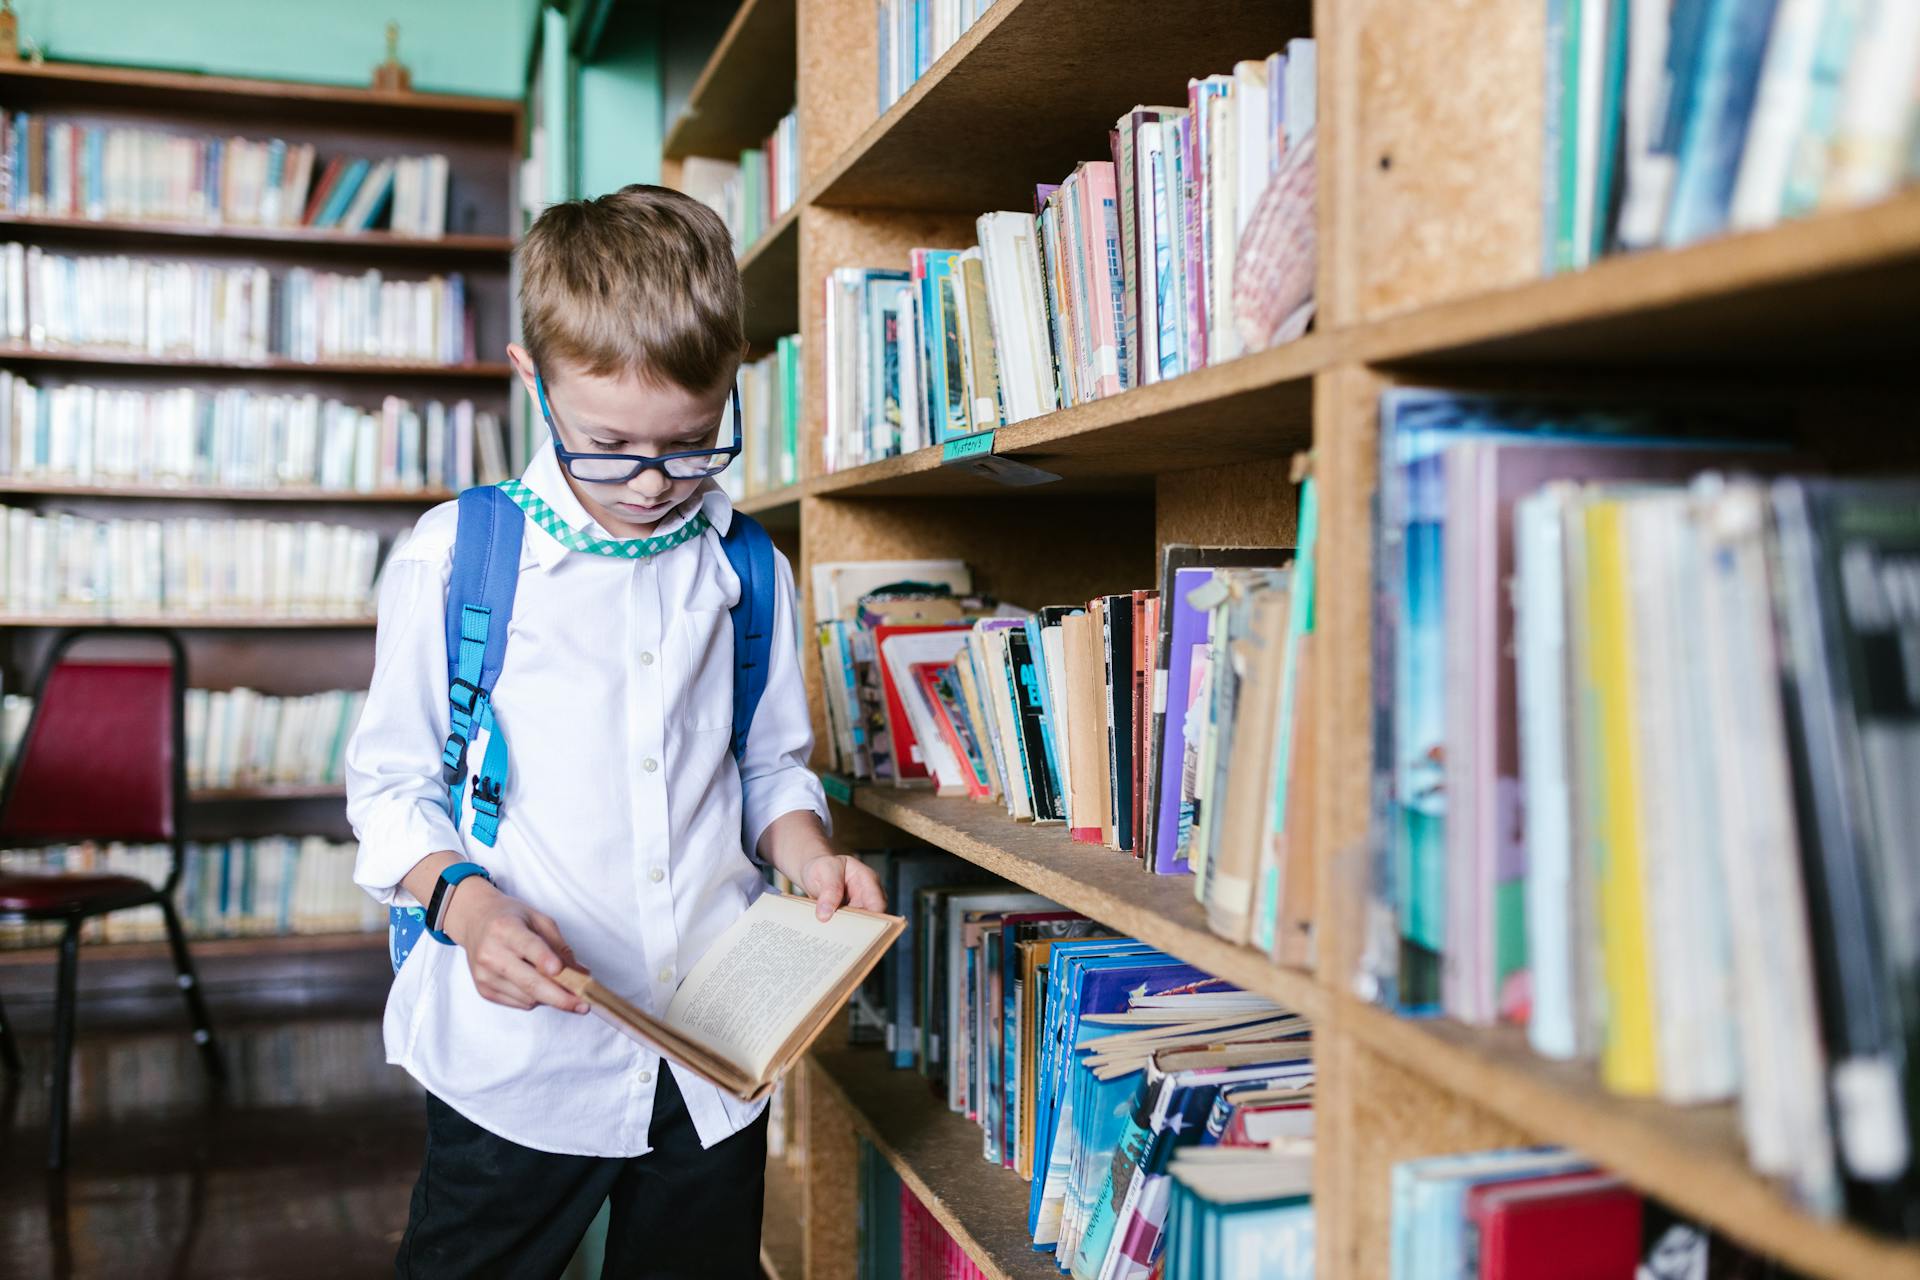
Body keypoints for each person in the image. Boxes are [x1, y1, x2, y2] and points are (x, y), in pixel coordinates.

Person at [345, 183, 886, 1279]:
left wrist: (809, 851)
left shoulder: (746, 567)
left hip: (712, 1057)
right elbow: (390, 788)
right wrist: (469, 901)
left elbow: (769, 763)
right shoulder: (457, 556)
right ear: (529, 377)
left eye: (691, 445)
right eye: (610, 445)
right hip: (522, 1061)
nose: (652, 482)